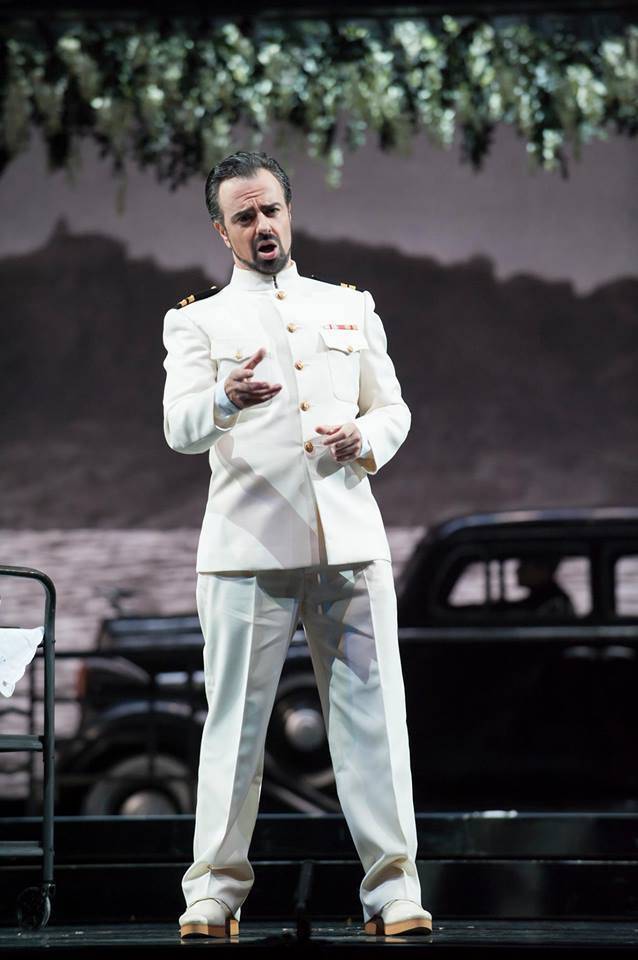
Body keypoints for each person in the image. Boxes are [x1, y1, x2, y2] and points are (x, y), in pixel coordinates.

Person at [162, 150, 432, 939]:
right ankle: (213, 892)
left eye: (271, 209)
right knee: (235, 727)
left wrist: (364, 439)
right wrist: (223, 398)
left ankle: (394, 890)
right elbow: (179, 428)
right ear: (222, 231)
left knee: (375, 723)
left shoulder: (348, 305)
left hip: (350, 543)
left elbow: (393, 409)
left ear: (289, 211)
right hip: (246, 551)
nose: (262, 225)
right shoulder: (198, 320)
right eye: (244, 216)